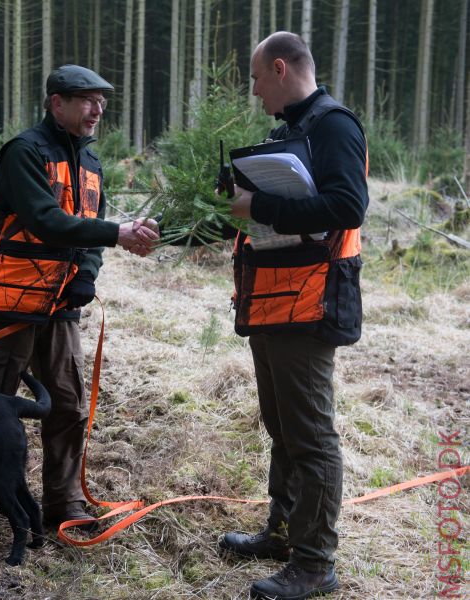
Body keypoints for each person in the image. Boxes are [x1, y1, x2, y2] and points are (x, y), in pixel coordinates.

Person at [0, 64, 159, 536]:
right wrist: (117, 234)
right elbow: (46, 220)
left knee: (66, 404)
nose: (98, 109)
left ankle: (62, 500)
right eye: (87, 99)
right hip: (9, 300)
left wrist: (86, 275)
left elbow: (88, 232)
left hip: (62, 306)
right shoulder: (23, 153)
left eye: (102, 100)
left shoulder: (92, 165)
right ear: (56, 103)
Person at [213, 32, 369, 600]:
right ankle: (281, 533)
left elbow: (347, 206)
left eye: (257, 78)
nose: (254, 91)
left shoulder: (334, 126)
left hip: (312, 304)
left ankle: (314, 562)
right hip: (274, 300)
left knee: (310, 436)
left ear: (280, 68)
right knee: (282, 429)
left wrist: (263, 205)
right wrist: (236, 199)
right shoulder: (291, 130)